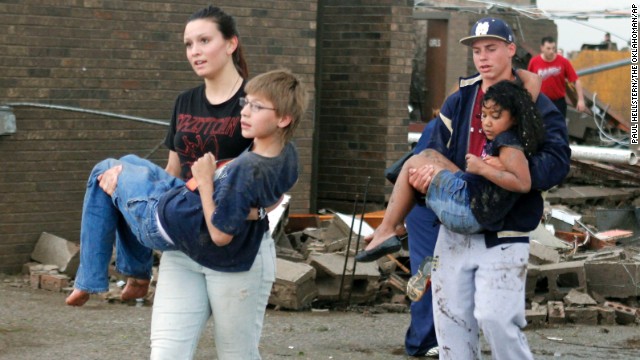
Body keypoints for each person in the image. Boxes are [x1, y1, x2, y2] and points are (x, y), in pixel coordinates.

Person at [66, 69, 307, 359]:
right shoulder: (285, 152)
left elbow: (220, 233)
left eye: (257, 107)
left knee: (105, 170)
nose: (244, 112)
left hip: (183, 232)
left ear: (283, 118)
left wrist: (206, 181)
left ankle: (101, 279)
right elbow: (276, 196)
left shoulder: (248, 168)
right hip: (181, 229)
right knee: (167, 353)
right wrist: (250, 210)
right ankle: (133, 275)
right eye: (246, 103)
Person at [390, 17, 569, 360]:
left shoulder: (536, 103)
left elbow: (558, 161)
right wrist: (427, 179)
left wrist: (510, 170)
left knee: (497, 321)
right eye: (477, 50)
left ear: (511, 50)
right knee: (451, 328)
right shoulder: (460, 100)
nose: (483, 57)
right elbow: (433, 151)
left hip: (505, 229)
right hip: (453, 229)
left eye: (491, 48)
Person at [356, 80, 544, 261]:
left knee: (414, 162)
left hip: (469, 212)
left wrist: (483, 169)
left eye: (495, 117)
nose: (486, 122)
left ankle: (388, 228)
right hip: (474, 199)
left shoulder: (509, 144)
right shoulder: (504, 139)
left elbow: (523, 183)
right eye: (483, 116)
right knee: (429, 154)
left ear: (515, 118)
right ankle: (396, 213)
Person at [528, 36, 586, 118]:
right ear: (542, 48)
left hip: (558, 102)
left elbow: (576, 80)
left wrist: (581, 100)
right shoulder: (534, 62)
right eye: (548, 48)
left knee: (559, 127)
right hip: (540, 101)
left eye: (553, 48)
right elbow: (528, 81)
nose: (551, 51)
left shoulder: (563, 62)